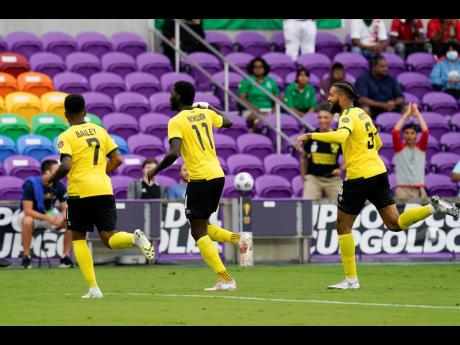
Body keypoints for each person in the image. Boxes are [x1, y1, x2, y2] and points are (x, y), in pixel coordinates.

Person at [295, 81, 459, 290]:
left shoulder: (347, 116)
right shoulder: (364, 115)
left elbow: (340, 136)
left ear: (342, 98)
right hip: (378, 172)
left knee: (342, 226)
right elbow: (379, 143)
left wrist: (310, 135)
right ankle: (432, 207)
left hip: (359, 176)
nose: (328, 98)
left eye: (331, 95)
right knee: (395, 224)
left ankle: (351, 280)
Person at [44, 94, 154, 299]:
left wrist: (52, 178)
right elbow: (117, 159)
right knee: (108, 236)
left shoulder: (66, 136)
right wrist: (101, 173)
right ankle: (134, 238)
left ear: (66, 114)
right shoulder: (100, 130)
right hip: (104, 189)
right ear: (85, 111)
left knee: (78, 237)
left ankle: (94, 289)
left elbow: (66, 165)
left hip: (80, 192)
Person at [147, 81, 253, 291]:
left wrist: (155, 170)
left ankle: (225, 279)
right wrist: (208, 107)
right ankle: (239, 239)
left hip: (200, 178)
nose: (170, 97)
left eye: (171, 93)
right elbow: (229, 122)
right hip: (217, 175)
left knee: (198, 231)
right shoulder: (203, 114)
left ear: (178, 97)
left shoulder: (176, 121)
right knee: (201, 226)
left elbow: (174, 152)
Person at [19, 159, 73, 269]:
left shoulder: (59, 185)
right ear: (47, 172)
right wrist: (47, 218)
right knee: (27, 221)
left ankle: (65, 257)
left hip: (49, 214)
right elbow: (27, 211)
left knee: (71, 221)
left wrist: (62, 216)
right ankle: (26, 257)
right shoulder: (31, 184)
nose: (60, 172)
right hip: (32, 216)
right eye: (57, 170)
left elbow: (66, 207)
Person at [301, 103, 343, 200]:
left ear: (332, 118)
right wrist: (304, 177)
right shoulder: (311, 136)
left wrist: (340, 169)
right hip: (313, 179)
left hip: (333, 179)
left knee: (342, 205)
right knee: (308, 205)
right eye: (320, 117)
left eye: (326, 117)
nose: (322, 120)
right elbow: (303, 158)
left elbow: (349, 158)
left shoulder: (338, 136)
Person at [392, 103, 429, 200]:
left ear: (416, 135)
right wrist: (406, 115)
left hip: (418, 190)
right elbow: (395, 132)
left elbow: (426, 132)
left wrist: (418, 115)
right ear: (403, 135)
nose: (409, 135)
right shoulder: (400, 148)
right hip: (402, 190)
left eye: (412, 133)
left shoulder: (421, 148)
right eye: (407, 133)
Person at [355, 54, 405, 118]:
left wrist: (394, 103)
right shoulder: (363, 79)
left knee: (407, 108)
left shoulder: (390, 78)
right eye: (382, 67)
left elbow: (400, 97)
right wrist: (383, 105)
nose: (385, 69)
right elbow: (361, 99)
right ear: (373, 67)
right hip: (373, 109)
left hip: (389, 107)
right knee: (365, 110)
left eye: (386, 66)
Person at [238, 57, 281, 131]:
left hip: (269, 110)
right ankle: (253, 133)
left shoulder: (271, 82)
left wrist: (274, 109)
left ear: (265, 68)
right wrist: (255, 109)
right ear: (252, 68)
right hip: (251, 111)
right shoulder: (247, 81)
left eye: (260, 67)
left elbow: (277, 99)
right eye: (255, 67)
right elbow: (242, 99)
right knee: (260, 119)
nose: (258, 69)